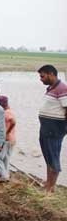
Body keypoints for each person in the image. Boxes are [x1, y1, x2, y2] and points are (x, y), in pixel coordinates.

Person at [37, 64, 67, 194]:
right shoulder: (51, 88)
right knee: (48, 157)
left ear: (51, 74)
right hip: (46, 127)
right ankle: (48, 184)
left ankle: (50, 188)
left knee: (53, 157)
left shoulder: (62, 88)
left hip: (54, 128)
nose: (41, 79)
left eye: (42, 76)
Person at [0, 96, 16, 182]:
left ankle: (4, 176)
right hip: (12, 138)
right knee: (6, 158)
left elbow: (13, 122)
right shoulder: (10, 111)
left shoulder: (6, 113)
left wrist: (7, 132)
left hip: (7, 139)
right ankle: (5, 174)